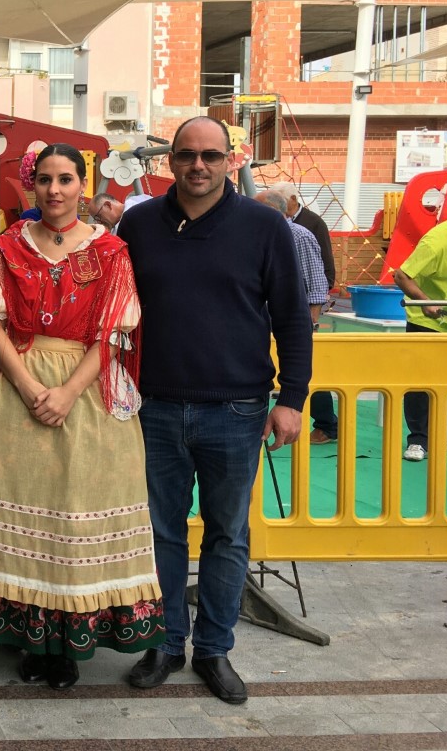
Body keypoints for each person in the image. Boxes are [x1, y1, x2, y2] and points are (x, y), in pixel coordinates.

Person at [0, 143, 165, 691]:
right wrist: (27, 385)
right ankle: (30, 638)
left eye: (66, 179)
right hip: (15, 389)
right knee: (27, 507)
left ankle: (68, 644)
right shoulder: (5, 248)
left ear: (82, 185)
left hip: (86, 391)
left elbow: (115, 331)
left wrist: (65, 392)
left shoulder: (112, 252)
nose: (55, 190)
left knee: (75, 509)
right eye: (44, 180)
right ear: (31, 186)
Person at [118, 115, 311, 705]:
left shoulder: (264, 226)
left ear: (231, 159)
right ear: (168, 161)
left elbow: (293, 318)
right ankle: (165, 643)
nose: (197, 165)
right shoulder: (138, 223)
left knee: (227, 534)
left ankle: (214, 650)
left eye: (210, 155)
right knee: (158, 533)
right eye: (186, 155)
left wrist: (293, 400)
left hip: (237, 407)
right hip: (153, 406)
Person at [269, 181, 338, 444]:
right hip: (274, 313)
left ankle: (326, 424)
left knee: (305, 369)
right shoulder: (272, 233)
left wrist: (310, 319)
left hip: (296, 316)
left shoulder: (302, 232)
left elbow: (319, 280)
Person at [392, 219, 447, 462]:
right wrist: (426, 301)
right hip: (428, 321)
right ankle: (418, 440)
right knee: (420, 383)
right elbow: (401, 275)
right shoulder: (436, 241)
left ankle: (445, 437)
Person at [255, 191, 328, 326]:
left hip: (293, 318)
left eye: (255, 209)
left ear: (271, 211)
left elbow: (316, 282)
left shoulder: (299, 236)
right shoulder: (260, 235)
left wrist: (310, 322)